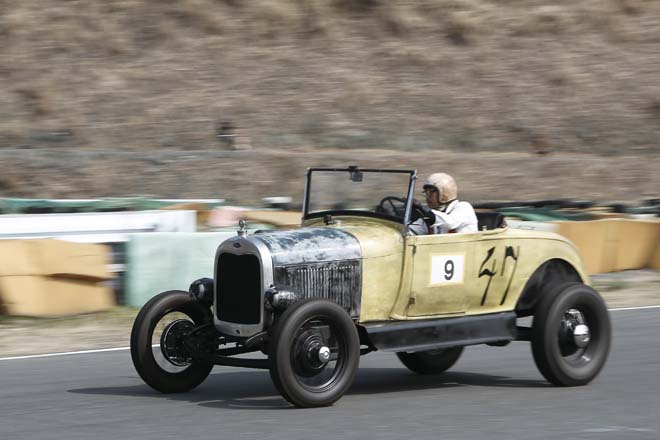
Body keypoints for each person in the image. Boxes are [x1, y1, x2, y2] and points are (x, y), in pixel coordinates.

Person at [410, 173, 478, 235]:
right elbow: (411, 231)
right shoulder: (432, 215)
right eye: (426, 193)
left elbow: (450, 222)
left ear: (444, 193)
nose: (427, 197)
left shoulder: (464, 207)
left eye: (431, 192)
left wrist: (426, 211)